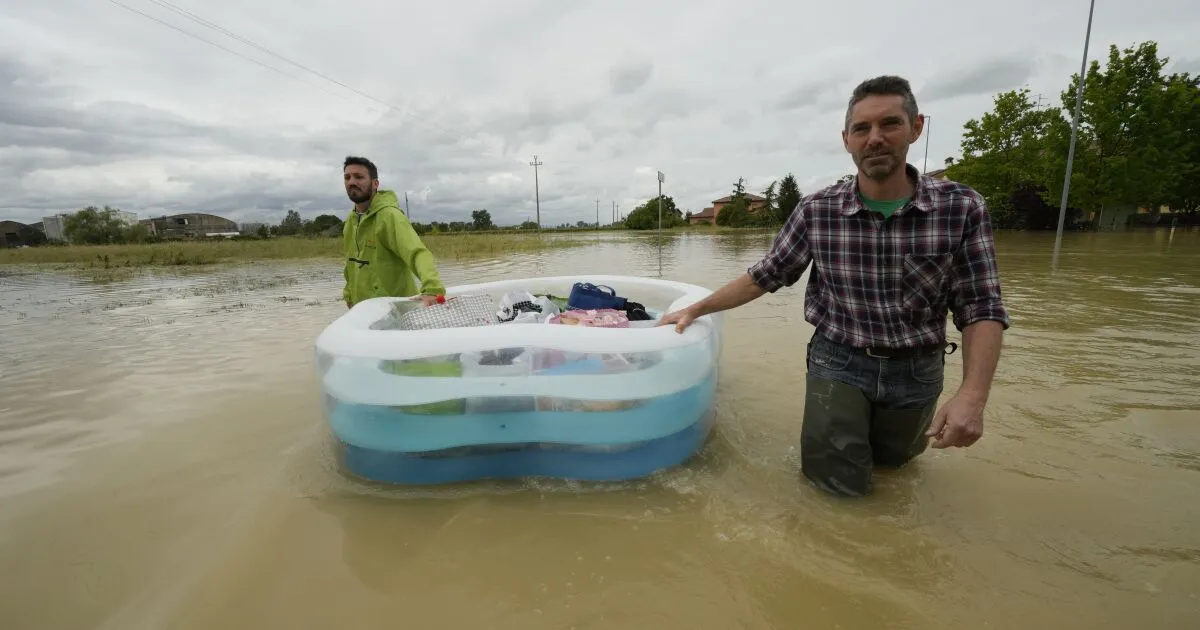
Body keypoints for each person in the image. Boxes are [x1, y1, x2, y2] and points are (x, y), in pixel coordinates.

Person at [660, 75, 1010, 497]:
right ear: (847, 140)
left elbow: (981, 306)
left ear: (916, 127)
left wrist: (972, 397)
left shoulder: (961, 207)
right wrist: (698, 308)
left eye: (890, 124)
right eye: (862, 129)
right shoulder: (817, 209)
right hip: (838, 362)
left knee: (895, 473)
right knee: (835, 490)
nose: (875, 138)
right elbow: (767, 274)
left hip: (918, 370)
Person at [340, 156, 445, 308]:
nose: (352, 182)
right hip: (363, 311)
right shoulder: (351, 221)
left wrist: (432, 287)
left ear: (375, 183)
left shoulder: (389, 216)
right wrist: (349, 295)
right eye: (347, 177)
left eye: (359, 177)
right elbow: (350, 264)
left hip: (396, 310)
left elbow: (417, 253)